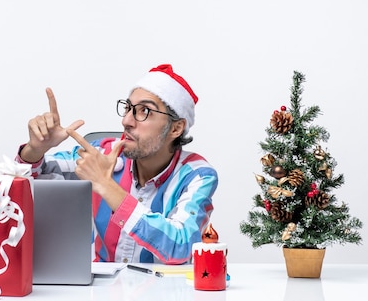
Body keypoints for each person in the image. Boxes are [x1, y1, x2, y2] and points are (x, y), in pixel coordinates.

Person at [16, 64, 218, 265]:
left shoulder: (197, 174)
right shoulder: (101, 155)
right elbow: (26, 185)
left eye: (144, 111)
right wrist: (35, 150)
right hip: (98, 291)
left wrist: (106, 186)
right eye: (128, 108)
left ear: (176, 128)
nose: (126, 121)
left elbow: (181, 246)